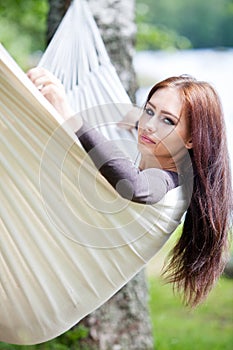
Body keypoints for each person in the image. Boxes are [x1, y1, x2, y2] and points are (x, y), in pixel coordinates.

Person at [27, 68, 232, 307]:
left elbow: (134, 185)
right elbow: (149, 126)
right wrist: (138, 118)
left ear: (191, 139)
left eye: (168, 120)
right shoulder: (162, 150)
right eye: (149, 111)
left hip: (55, 287)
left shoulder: (166, 182)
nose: (149, 126)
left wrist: (68, 116)